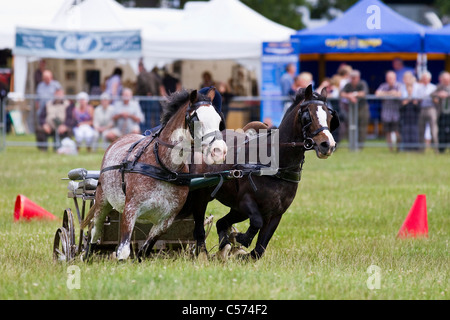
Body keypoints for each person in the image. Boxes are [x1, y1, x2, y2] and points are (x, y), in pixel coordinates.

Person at [340, 70, 370, 148]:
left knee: (362, 127)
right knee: (350, 126)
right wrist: (349, 96)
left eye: (354, 78)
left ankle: (360, 146)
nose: (353, 80)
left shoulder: (362, 83)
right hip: (351, 109)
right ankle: (352, 145)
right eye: (352, 78)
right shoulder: (348, 85)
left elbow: (364, 93)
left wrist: (353, 94)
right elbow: (342, 93)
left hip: (362, 108)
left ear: (358, 78)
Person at [375, 71, 403, 151]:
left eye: (392, 78)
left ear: (395, 78)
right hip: (386, 114)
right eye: (388, 78)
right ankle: (390, 149)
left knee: (397, 132)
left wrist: (386, 94)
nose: (390, 80)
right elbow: (377, 94)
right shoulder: (383, 86)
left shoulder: (399, 85)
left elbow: (399, 94)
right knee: (387, 132)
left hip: (396, 114)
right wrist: (390, 93)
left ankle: (398, 149)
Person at [399, 71, 420, 151]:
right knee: (406, 133)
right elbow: (400, 108)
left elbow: (418, 109)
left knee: (414, 132)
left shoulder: (415, 95)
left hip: (414, 119)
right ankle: (406, 148)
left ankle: (415, 148)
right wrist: (405, 103)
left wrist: (415, 103)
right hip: (405, 118)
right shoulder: (402, 88)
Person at [417, 71, 437, 151]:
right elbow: (416, 99)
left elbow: (436, 100)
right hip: (422, 109)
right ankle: (421, 149)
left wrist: (433, 98)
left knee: (433, 129)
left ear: (429, 79)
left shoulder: (433, 87)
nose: (425, 80)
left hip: (431, 108)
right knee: (421, 129)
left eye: (426, 78)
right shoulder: (419, 88)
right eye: (423, 78)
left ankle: (436, 148)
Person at [431, 71, 450, 152]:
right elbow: (432, 94)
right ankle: (441, 149)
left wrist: (448, 94)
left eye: (447, 79)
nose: (446, 80)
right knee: (441, 131)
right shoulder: (439, 87)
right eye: (444, 79)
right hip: (442, 113)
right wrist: (438, 94)